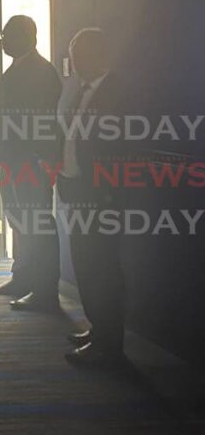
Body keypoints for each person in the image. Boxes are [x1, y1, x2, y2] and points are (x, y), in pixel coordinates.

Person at [53, 28, 127, 366]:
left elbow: (120, 149)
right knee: (85, 265)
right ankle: (99, 331)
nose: (76, 60)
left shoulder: (118, 93)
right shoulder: (78, 90)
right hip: (76, 190)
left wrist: (106, 194)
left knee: (102, 270)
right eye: (73, 52)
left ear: (100, 54)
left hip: (100, 198)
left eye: (81, 53)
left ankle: (108, 345)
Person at [0, 15, 63, 312]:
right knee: (19, 220)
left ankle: (45, 292)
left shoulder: (41, 72)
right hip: (11, 158)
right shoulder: (17, 68)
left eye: (7, 35)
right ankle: (23, 278)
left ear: (27, 36)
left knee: (37, 224)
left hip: (30, 161)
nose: (2, 40)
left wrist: (36, 157)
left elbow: (40, 121)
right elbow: (2, 113)